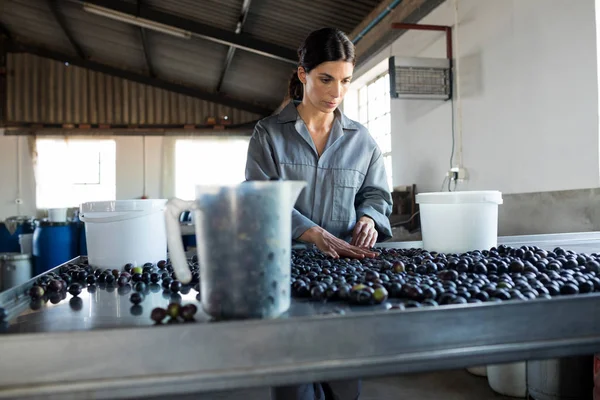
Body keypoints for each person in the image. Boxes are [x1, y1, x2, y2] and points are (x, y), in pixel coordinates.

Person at [245, 27, 393, 400]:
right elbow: (261, 198)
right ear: (302, 74)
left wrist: (369, 219)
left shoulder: (362, 140)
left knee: (345, 380)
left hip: (345, 274)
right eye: (325, 79)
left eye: (345, 81)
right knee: (293, 381)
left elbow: (376, 194)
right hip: (286, 273)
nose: (336, 92)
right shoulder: (269, 134)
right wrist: (311, 233)